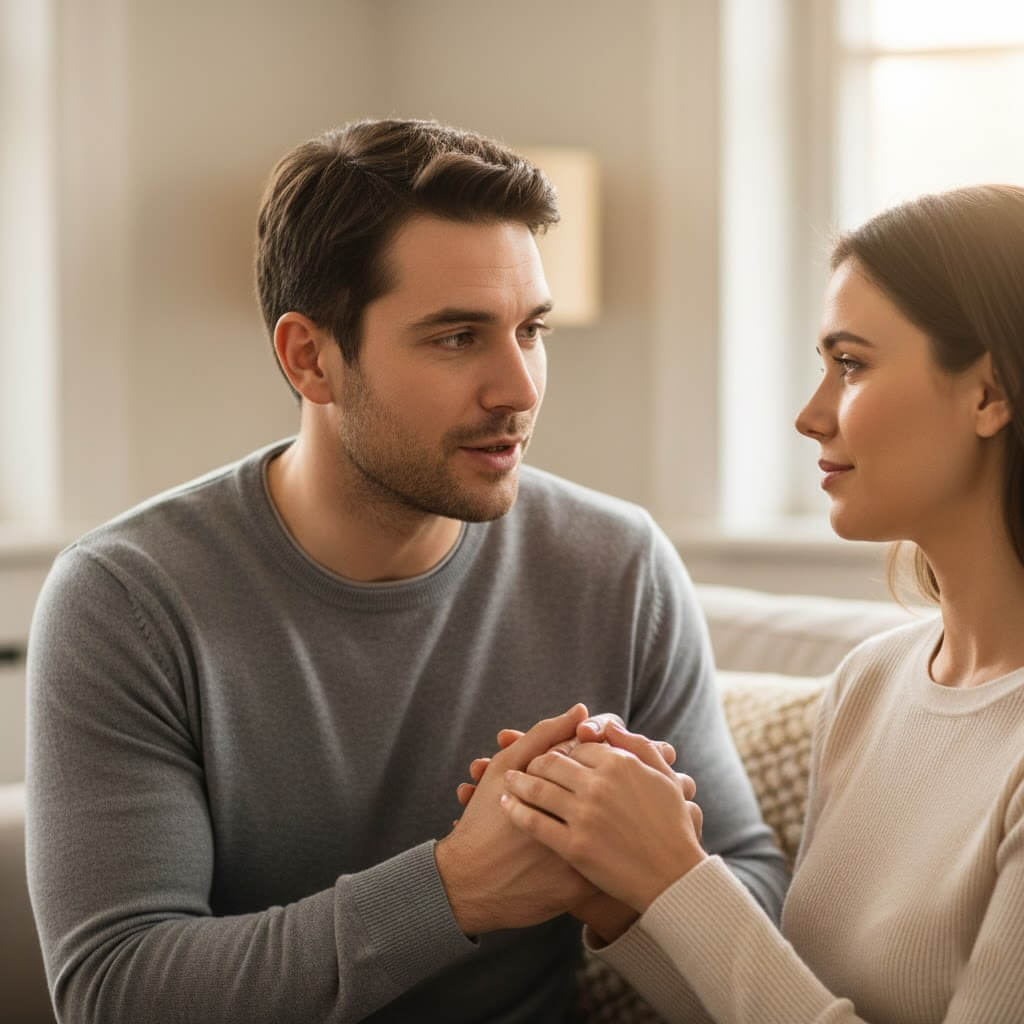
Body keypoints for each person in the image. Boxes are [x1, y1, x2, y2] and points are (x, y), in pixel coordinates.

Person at [25, 118, 787, 1024]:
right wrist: (456, 888)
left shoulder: (615, 564)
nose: (519, 388)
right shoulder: (127, 599)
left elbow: (754, 893)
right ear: (310, 358)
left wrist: (629, 884)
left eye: (530, 329)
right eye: (459, 337)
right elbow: (116, 992)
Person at [494, 184, 1024, 1023]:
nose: (810, 416)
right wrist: (626, 893)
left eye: (851, 364)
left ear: (990, 393)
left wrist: (680, 876)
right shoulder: (871, 684)